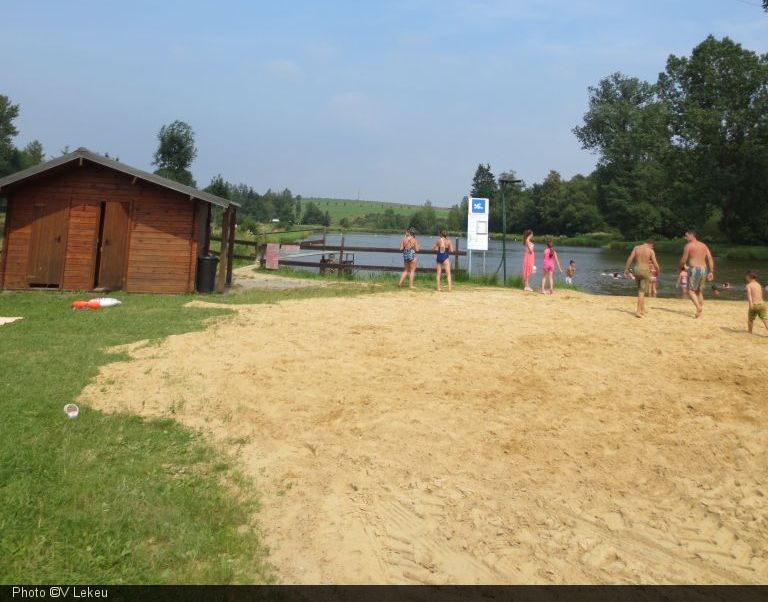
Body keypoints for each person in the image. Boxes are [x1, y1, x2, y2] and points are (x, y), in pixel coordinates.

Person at [679, 230, 714, 319]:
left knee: (690, 291)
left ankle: (698, 308)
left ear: (692, 235)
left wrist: (681, 268)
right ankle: (700, 311)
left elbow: (683, 259)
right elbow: (709, 258)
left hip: (695, 269)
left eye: (686, 236)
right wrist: (711, 271)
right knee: (699, 291)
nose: (685, 238)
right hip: (704, 269)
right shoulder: (703, 245)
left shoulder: (688, 246)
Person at [624, 240, 661, 318]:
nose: (652, 247)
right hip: (645, 270)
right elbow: (655, 263)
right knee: (642, 291)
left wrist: (626, 270)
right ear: (650, 244)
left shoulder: (636, 248)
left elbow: (630, 258)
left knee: (641, 290)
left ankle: (642, 309)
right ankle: (638, 311)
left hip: (636, 269)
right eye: (652, 246)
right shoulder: (650, 250)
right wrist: (658, 271)